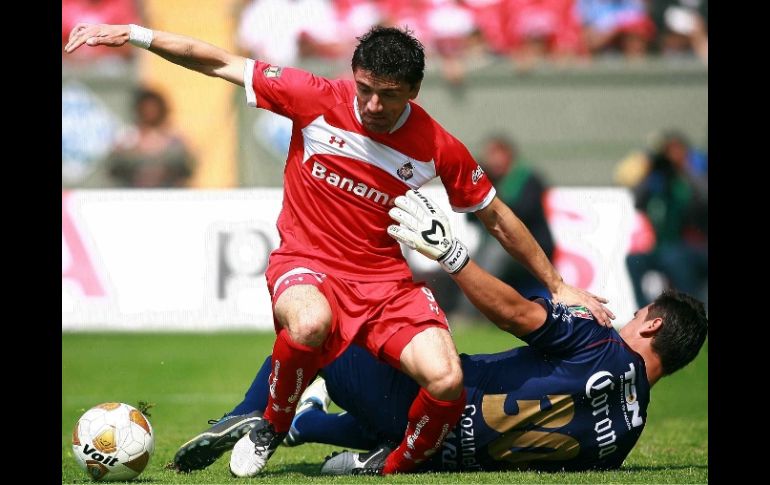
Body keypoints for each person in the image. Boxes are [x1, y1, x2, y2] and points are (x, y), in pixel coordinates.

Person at [65, 23, 614, 476]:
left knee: (446, 379)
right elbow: (216, 61)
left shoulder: (436, 146)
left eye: (388, 95)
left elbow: (496, 216)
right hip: (307, 261)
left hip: (385, 282)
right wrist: (133, 34)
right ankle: (272, 426)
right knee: (307, 323)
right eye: (365, 88)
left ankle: (390, 467)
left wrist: (558, 284)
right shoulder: (314, 97)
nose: (372, 104)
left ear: (413, 92)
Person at [169, 189, 708, 474]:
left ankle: (249, 414)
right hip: (443, 449)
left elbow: (516, 315)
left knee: (319, 323)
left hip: (421, 405)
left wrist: (452, 254)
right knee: (391, 418)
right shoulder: (626, 439)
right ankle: (303, 426)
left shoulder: (599, 343)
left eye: (639, 314)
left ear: (653, 323)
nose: (628, 317)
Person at [104, 87, 196, 188]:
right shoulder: (128, 138)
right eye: (146, 108)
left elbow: (187, 168)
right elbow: (113, 169)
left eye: (154, 108)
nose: (150, 112)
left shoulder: (175, 139)